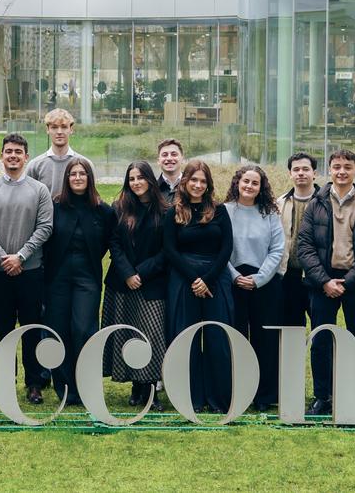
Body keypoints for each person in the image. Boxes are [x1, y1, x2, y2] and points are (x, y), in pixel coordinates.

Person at [297, 149, 355, 417]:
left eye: (347, 167)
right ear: (329, 170)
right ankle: (322, 397)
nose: (341, 171)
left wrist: (346, 283)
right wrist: (325, 282)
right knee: (321, 341)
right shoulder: (316, 203)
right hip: (322, 284)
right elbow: (305, 246)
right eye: (336, 166)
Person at [0, 133, 54, 405]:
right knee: (4, 328)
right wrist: (3, 258)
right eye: (8, 151)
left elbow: (45, 227)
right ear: (2, 156)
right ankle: (5, 380)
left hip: (30, 271)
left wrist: (20, 256)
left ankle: (34, 383)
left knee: (32, 327)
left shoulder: (39, 190)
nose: (12, 156)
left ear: (26, 156)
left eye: (18, 152)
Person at [163, 159, 233, 413]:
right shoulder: (173, 212)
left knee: (218, 339)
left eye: (203, 181)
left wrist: (208, 279)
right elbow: (170, 250)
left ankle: (218, 399)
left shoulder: (220, 210)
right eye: (194, 180)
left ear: (208, 184)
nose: (198, 185)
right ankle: (190, 398)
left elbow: (227, 249)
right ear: (185, 182)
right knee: (186, 339)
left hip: (216, 279)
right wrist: (194, 279)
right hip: (184, 281)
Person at [42, 158, 111, 406]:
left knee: (83, 330)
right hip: (57, 278)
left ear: (90, 178)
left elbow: (108, 242)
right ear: (67, 178)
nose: (78, 177)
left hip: (87, 278)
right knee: (59, 331)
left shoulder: (103, 210)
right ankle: (65, 388)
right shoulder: (55, 206)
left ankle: (86, 384)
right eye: (73, 174)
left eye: (83, 173)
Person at [102, 160, 170, 408]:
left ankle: (150, 388)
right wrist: (128, 273)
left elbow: (168, 250)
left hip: (153, 283)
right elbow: (114, 243)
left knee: (151, 336)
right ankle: (135, 386)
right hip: (122, 282)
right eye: (131, 179)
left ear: (150, 180)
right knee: (128, 333)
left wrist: (141, 272)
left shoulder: (165, 210)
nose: (136, 183)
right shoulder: (119, 208)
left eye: (141, 177)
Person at [223, 164, 284, 411]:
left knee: (265, 341)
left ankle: (264, 395)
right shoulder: (224, 211)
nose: (249, 186)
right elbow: (219, 249)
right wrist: (235, 276)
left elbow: (277, 249)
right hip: (233, 282)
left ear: (261, 188)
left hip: (264, 283)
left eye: (255, 183)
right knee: (235, 339)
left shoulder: (270, 213)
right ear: (237, 183)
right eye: (245, 181)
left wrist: (259, 278)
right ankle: (237, 391)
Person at [277, 152, 319, 327]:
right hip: (289, 274)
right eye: (296, 169)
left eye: (305, 169)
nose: (300, 173)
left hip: (317, 274)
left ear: (314, 173)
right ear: (290, 174)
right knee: (292, 326)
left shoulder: (325, 202)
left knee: (321, 326)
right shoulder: (280, 203)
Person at [26, 108, 92, 198]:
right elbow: (29, 199)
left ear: (71, 129)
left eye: (64, 127)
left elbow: (91, 199)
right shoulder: (35, 166)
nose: (59, 132)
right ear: (47, 129)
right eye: (54, 127)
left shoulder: (86, 165)